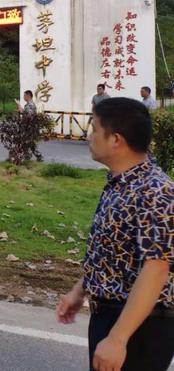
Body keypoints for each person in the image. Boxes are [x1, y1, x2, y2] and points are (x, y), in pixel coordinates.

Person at [56, 98, 173, 371]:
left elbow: (156, 268)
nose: (89, 136)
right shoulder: (121, 183)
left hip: (141, 326)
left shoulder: (156, 191)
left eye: (94, 128)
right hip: (111, 316)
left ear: (116, 140)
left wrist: (119, 338)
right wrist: (80, 290)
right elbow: (112, 251)